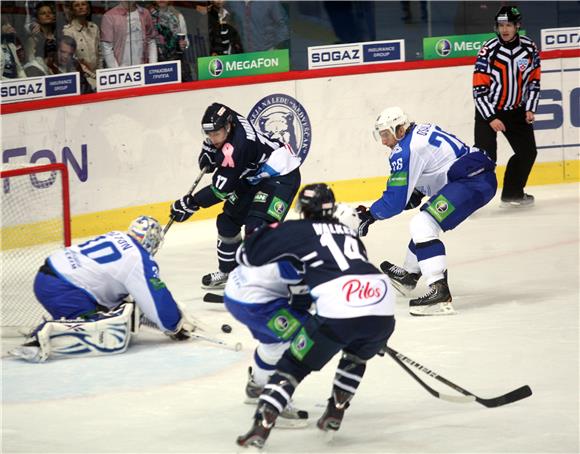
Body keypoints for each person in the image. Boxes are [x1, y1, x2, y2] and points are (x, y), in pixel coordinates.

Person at [235, 183, 396, 449]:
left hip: (340, 308)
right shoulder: (349, 233)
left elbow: (246, 255)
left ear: (302, 209)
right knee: (356, 356)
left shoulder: (296, 230)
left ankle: (260, 428)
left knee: (291, 366)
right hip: (382, 305)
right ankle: (336, 411)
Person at [356, 107, 497, 316]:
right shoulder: (420, 132)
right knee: (426, 222)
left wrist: (369, 215)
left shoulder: (406, 150)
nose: (384, 141)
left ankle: (439, 289)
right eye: (381, 136)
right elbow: (434, 171)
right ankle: (410, 275)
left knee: (423, 224)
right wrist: (411, 196)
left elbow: (395, 200)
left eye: (386, 134)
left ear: (400, 129)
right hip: (472, 178)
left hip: (472, 183)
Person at [9, 216, 195, 363]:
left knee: (117, 311)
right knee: (109, 332)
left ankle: (66, 323)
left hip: (47, 276)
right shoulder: (138, 259)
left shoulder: (117, 236)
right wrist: (174, 325)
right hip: (64, 289)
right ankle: (45, 335)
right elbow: (157, 299)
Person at [170, 102, 302, 290]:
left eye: (216, 134)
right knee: (227, 222)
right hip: (252, 176)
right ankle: (231, 272)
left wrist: (192, 203)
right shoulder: (228, 117)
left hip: (280, 175)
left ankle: (274, 279)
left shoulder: (238, 147)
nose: (213, 138)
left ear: (228, 127)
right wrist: (209, 149)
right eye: (209, 134)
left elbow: (220, 190)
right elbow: (217, 123)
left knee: (256, 227)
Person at [473, 5, 540, 208]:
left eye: (508, 25)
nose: (504, 29)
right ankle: (469, 199)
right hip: (489, 112)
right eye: (501, 25)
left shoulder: (529, 48)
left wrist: (530, 107)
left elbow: (534, 81)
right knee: (484, 159)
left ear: (517, 25)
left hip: (517, 111)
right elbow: (478, 89)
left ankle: (512, 193)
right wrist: (492, 118)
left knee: (528, 153)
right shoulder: (489, 50)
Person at [100, 1, 157, 68]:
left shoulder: (145, 13)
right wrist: (115, 70)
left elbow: (151, 40)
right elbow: (106, 46)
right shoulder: (109, 16)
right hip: (120, 67)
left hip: (142, 67)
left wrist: (153, 65)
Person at [149, 1, 192, 81]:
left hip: (177, 62)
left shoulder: (177, 15)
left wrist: (184, 44)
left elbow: (186, 41)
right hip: (157, 64)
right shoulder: (148, 15)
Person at [62, 0, 101, 91]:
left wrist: (100, 73)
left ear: (88, 8)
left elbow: (100, 53)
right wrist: (93, 76)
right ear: (72, 10)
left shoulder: (94, 27)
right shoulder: (68, 31)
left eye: (83, 4)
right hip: (83, 76)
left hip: (98, 73)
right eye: (76, 5)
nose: (80, 7)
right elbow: (73, 59)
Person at [23, 1, 57, 77]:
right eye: (43, 13)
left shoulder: (58, 36)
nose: (47, 15)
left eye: (50, 12)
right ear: (37, 18)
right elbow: (30, 63)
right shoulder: (33, 38)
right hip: (41, 74)